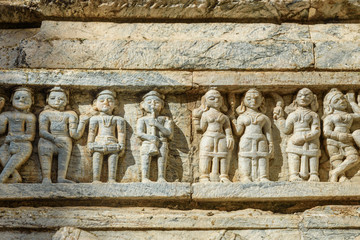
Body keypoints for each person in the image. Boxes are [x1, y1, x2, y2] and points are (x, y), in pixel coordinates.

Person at [38, 87, 89, 184]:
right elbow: (42, 132)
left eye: (61, 99)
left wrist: (82, 123)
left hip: (64, 140)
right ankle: (46, 177)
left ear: (67, 100)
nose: (57, 101)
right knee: (44, 144)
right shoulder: (45, 113)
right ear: (47, 100)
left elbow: (74, 135)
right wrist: (54, 139)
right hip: (48, 139)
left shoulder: (70, 114)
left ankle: (61, 177)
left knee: (66, 142)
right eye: (53, 98)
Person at [273, 88, 321, 182]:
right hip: (295, 137)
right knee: (293, 155)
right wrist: (280, 118)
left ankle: (314, 174)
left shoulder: (313, 115)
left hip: (310, 138)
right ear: (296, 98)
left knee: (312, 154)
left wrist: (304, 138)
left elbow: (316, 131)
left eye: (307, 96)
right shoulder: (292, 115)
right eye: (300, 96)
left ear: (312, 99)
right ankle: (294, 174)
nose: (303, 98)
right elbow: (286, 130)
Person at [232, 89, 273, 182]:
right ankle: (245, 176)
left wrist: (271, 144)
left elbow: (268, 132)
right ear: (243, 100)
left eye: (256, 99)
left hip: (261, 139)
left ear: (262, 100)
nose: (253, 101)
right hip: (246, 139)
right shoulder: (242, 117)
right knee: (244, 157)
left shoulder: (263, 117)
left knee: (262, 157)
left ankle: (263, 176)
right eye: (249, 98)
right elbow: (238, 132)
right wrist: (233, 121)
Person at [193, 89, 234, 183]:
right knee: (206, 155)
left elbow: (228, 129)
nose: (216, 100)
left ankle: (224, 175)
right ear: (205, 101)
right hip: (208, 136)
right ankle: (204, 175)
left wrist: (230, 137)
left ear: (222, 100)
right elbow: (201, 129)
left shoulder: (224, 117)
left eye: (218, 98)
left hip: (221, 137)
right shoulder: (205, 115)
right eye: (212, 98)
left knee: (224, 155)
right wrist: (195, 119)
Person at [88, 90, 126, 183]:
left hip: (112, 142)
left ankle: (112, 179)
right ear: (95, 104)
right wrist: (89, 143)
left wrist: (121, 144)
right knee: (97, 156)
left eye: (110, 101)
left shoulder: (118, 119)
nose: (106, 103)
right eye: (101, 100)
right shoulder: (94, 119)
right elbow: (92, 132)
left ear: (115, 104)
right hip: (98, 142)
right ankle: (96, 179)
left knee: (113, 157)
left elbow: (121, 133)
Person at [323, 88, 360, 182]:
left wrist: (351, 102)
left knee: (354, 157)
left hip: (347, 140)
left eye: (342, 98)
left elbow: (359, 115)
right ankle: (342, 177)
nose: (341, 101)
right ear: (330, 105)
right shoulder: (330, 117)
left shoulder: (348, 115)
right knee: (336, 158)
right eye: (337, 100)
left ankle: (335, 172)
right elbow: (326, 131)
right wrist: (338, 136)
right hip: (333, 141)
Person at [0, 87, 36, 183]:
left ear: (32, 101)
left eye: (25, 98)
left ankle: (1, 179)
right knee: (3, 155)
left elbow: (30, 136)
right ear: (11, 98)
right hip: (7, 144)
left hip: (23, 145)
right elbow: (1, 130)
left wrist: (14, 138)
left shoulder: (30, 116)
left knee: (11, 165)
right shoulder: (6, 114)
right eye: (17, 98)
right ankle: (16, 178)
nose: (21, 100)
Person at [137, 91, 173, 183]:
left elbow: (169, 134)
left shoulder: (165, 119)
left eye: (156, 102)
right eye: (149, 102)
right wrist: (150, 138)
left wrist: (157, 124)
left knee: (162, 159)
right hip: (148, 142)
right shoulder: (142, 119)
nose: (152, 104)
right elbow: (140, 133)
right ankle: (145, 177)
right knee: (145, 158)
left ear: (162, 105)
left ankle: (161, 177)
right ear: (142, 105)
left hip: (162, 141)